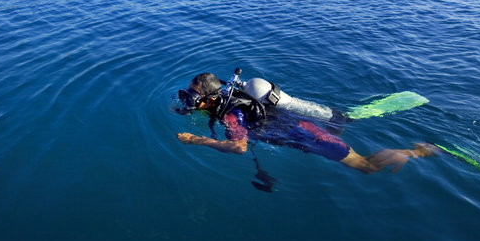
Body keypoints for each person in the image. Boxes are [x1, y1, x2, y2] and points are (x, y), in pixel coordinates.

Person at [175, 72, 440, 174]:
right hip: (296, 124)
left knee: (365, 166)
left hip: (304, 133)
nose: (189, 99)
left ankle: (414, 152)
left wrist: (195, 139)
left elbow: (239, 147)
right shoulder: (229, 98)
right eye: (188, 93)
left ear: (210, 98)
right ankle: (411, 150)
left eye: (193, 96)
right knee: (352, 143)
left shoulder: (232, 113)